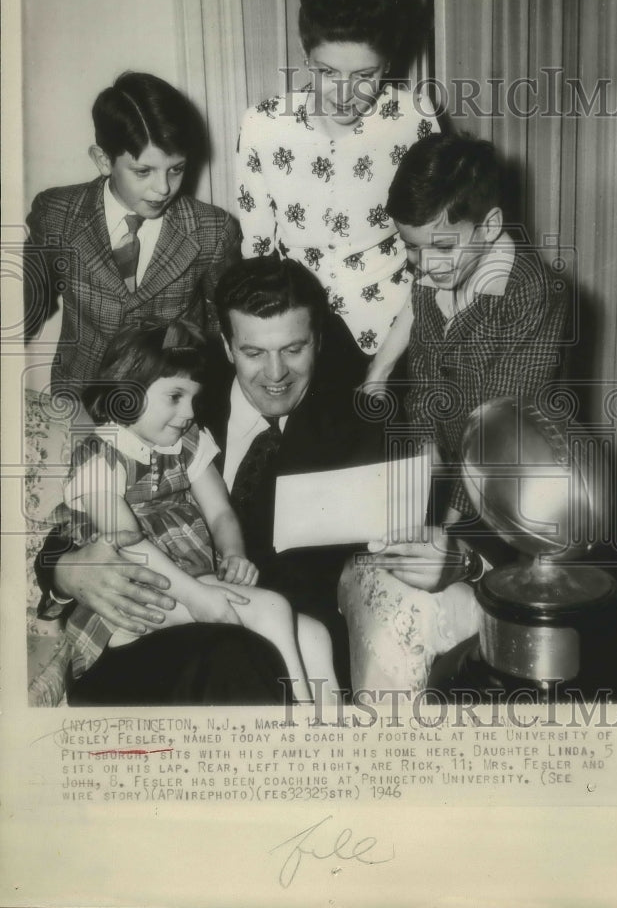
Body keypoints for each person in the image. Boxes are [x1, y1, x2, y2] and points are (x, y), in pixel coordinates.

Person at [35, 257, 384, 701]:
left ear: (318, 340)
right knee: (233, 653)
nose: (275, 374)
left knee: (293, 643)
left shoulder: (357, 433)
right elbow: (73, 529)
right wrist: (66, 571)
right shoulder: (176, 396)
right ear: (226, 344)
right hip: (144, 640)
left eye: (294, 349)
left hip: (253, 634)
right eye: (254, 352)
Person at [338, 132, 569, 692]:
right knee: (367, 578)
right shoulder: (431, 278)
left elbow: (492, 440)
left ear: (489, 228)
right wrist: (415, 495)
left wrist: (446, 536)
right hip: (450, 504)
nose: (422, 265)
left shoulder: (535, 295)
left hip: (520, 524)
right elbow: (423, 405)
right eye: (410, 249)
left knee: (405, 606)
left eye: (440, 247)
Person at [236, 0, 439, 382]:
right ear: (303, 51)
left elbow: (437, 256)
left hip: (401, 337)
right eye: (327, 72)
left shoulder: (414, 118)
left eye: (365, 75)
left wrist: (382, 368)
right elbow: (257, 257)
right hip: (301, 346)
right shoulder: (262, 124)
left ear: (388, 62)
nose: (345, 95)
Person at [23, 71, 239, 400]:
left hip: (171, 408)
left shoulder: (213, 230)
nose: (163, 187)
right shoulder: (56, 215)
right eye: (143, 171)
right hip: (79, 400)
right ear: (103, 160)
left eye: (176, 168)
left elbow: (221, 331)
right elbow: (23, 306)